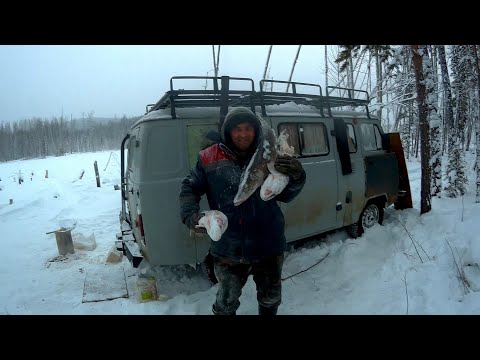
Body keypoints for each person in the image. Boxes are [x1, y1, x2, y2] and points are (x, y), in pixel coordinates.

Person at [179, 107, 306, 315]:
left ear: (255, 130)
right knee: (226, 303)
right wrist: (191, 216)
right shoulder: (209, 157)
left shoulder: (270, 154)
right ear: (228, 131)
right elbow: (190, 188)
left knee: (270, 298)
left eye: (248, 128)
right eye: (237, 129)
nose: (243, 134)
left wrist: (297, 177)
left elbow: (286, 195)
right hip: (228, 249)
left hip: (268, 245)